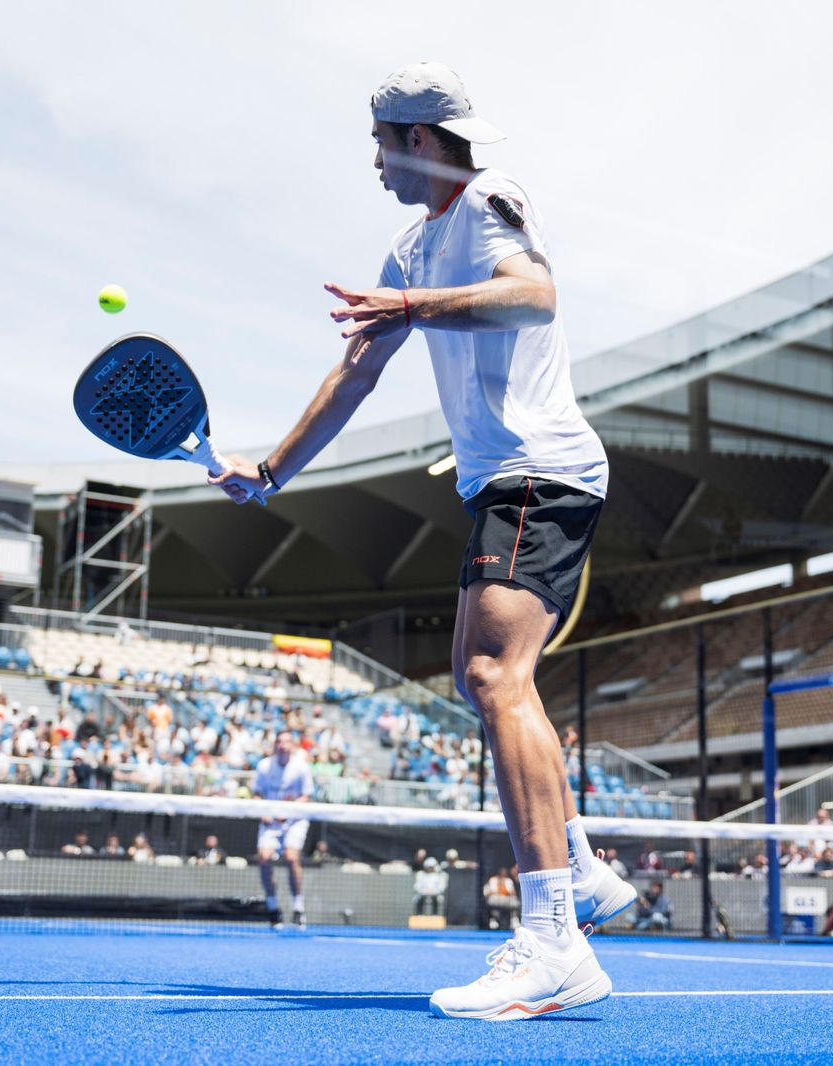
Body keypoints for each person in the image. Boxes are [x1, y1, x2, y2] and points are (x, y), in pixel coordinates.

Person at [209, 60, 629, 1022]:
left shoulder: (488, 199)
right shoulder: (412, 245)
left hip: (539, 467)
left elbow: (535, 295)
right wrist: (271, 472)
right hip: (500, 481)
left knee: (494, 678)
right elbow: (355, 374)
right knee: (477, 678)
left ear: (424, 142)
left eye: (383, 143)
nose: (375, 162)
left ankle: (554, 937)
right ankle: (584, 870)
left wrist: (413, 305)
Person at [253, 732, 313, 929]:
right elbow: (257, 795)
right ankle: (272, 907)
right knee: (264, 857)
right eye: (279, 742)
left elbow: (306, 796)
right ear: (275, 745)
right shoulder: (264, 766)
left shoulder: (301, 767)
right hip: (270, 821)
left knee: (291, 857)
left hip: (294, 820)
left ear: (293, 745)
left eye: (286, 742)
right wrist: (264, 812)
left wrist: (287, 813)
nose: (282, 745)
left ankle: (298, 907)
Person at [483, 866, 519, 931]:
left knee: (514, 901)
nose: (502, 875)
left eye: (504, 874)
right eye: (501, 874)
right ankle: (494, 919)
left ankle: (514, 919)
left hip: (506, 900)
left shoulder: (508, 881)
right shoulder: (492, 880)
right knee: (493, 900)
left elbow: (512, 893)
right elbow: (487, 893)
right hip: (495, 899)